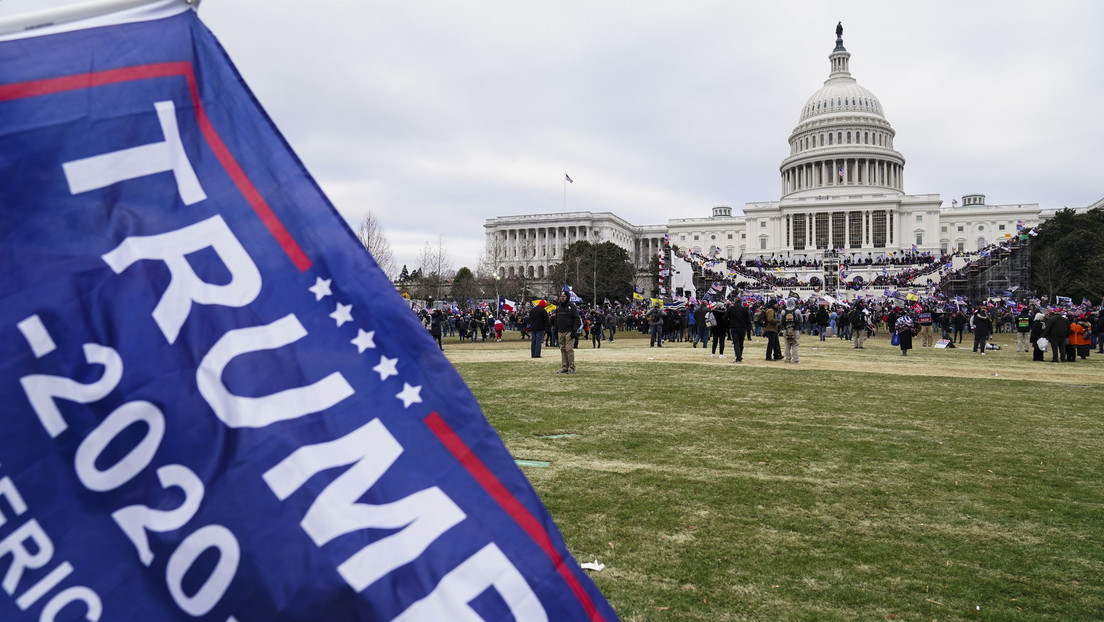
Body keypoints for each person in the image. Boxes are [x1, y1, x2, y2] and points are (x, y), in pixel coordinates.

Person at [554, 291, 581, 374]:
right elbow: (556, 319)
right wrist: (556, 330)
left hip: (569, 331)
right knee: (562, 349)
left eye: (564, 296)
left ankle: (571, 367)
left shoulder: (571, 307)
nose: (562, 298)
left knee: (569, 349)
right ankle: (564, 367)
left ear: (567, 297)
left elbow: (577, 319)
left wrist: (574, 330)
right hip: (560, 331)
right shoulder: (558, 308)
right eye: (561, 296)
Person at [725, 298, 752, 363]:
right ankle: (739, 355)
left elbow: (725, 317)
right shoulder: (744, 309)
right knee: (741, 342)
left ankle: (738, 357)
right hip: (742, 327)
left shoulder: (731, 309)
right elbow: (748, 320)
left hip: (733, 327)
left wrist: (729, 323)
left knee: (736, 342)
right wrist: (749, 328)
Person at [779, 298, 802, 364]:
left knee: (787, 346)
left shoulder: (783, 311)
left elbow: (781, 321)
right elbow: (801, 320)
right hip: (795, 329)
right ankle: (796, 360)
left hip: (786, 329)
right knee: (795, 345)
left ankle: (787, 359)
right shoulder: (797, 311)